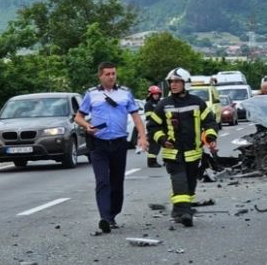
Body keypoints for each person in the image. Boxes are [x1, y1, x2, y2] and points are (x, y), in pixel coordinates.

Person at [75, 62, 148, 234]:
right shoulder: (92, 94)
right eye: (107, 74)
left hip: (119, 143)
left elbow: (136, 116)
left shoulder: (125, 93)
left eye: (113, 73)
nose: (111, 77)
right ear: (100, 76)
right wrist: (87, 125)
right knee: (102, 181)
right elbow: (79, 116)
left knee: (117, 182)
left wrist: (142, 137)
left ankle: (113, 213)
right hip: (99, 144)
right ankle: (104, 218)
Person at [145, 67, 218, 227]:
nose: (173, 84)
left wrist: (211, 137)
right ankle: (185, 213)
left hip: (193, 153)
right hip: (173, 154)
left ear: (186, 83)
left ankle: (178, 210)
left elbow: (210, 122)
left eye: (177, 81)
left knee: (190, 185)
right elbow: (152, 127)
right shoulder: (164, 105)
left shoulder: (197, 103)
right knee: (180, 182)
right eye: (171, 82)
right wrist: (163, 139)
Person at [143, 85, 163, 167]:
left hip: (160, 126)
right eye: (154, 94)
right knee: (154, 145)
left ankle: (166, 160)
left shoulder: (159, 103)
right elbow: (149, 116)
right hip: (153, 127)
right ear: (151, 95)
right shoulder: (149, 104)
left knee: (161, 144)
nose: (156, 96)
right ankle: (151, 162)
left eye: (158, 94)